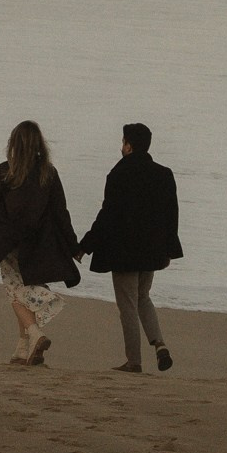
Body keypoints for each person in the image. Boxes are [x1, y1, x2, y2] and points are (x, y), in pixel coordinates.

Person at [0, 120, 81, 366]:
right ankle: (23, 348)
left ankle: (36, 334)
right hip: (38, 244)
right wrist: (73, 246)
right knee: (22, 286)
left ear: (14, 144)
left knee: (15, 291)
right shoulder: (48, 173)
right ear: (39, 144)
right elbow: (61, 213)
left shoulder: (7, 171)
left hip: (7, 243)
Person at [78, 122, 182, 374]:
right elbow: (172, 215)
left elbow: (107, 216)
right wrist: (170, 249)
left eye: (123, 141)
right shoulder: (164, 174)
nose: (121, 146)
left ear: (129, 146)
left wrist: (85, 246)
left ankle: (134, 361)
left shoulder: (118, 174)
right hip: (152, 252)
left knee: (127, 305)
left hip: (124, 252)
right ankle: (159, 344)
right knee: (143, 297)